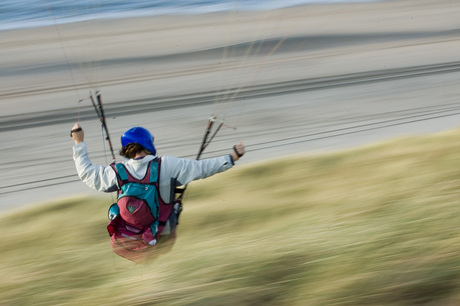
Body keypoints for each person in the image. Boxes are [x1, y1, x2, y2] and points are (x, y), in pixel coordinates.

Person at [71, 123, 245, 262]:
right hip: (162, 234)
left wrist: (79, 142)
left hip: (127, 237)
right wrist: (232, 158)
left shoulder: (118, 171)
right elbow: (202, 168)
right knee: (161, 258)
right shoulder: (167, 165)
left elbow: (87, 174)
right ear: (147, 143)